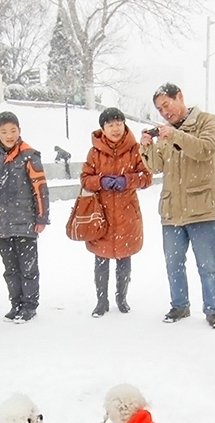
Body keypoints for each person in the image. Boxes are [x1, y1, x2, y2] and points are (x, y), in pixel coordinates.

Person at [139, 82, 215, 329]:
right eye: (159, 109)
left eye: (167, 104)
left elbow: (205, 150)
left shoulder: (206, 121)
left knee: (207, 264)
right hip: (171, 211)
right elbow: (156, 166)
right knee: (173, 262)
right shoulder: (166, 132)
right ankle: (179, 305)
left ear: (180, 97)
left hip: (201, 208)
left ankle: (213, 310)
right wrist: (146, 146)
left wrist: (174, 135)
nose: (164, 112)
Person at [0, 111, 50, 323]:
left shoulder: (29, 155)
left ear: (19, 131)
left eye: (13, 130)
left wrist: (41, 217)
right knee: (10, 268)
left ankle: (29, 305)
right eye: (4, 131)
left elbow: (40, 188)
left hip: (25, 222)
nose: (9, 135)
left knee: (28, 267)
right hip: (3, 224)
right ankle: (15, 302)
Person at [79, 107, 152, 317]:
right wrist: (100, 181)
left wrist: (127, 180)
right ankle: (101, 301)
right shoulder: (94, 152)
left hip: (126, 215)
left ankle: (122, 298)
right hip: (101, 216)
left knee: (124, 259)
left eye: (119, 123)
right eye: (110, 125)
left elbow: (146, 177)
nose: (115, 128)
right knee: (101, 261)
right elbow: (84, 179)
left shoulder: (135, 150)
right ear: (102, 128)